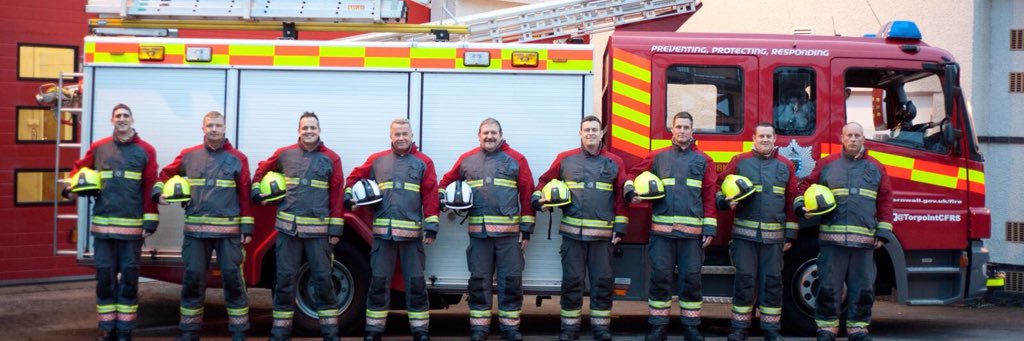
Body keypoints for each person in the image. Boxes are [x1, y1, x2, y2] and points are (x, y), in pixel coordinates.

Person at [153, 111, 252, 341]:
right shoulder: (189, 156)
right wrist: (158, 192)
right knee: (193, 279)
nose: (214, 129)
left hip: (228, 234)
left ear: (225, 127)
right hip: (196, 234)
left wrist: (246, 228)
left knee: (233, 279)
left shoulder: (238, 158)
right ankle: (189, 331)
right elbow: (165, 174)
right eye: (210, 125)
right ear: (203, 128)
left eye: (218, 125)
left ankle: (238, 331)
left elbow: (245, 195)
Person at [64, 103, 159, 341]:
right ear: (112, 120)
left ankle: (125, 331)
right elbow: (79, 170)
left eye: (126, 115)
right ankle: (107, 329)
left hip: (131, 229)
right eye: (118, 116)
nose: (122, 119)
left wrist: (150, 220)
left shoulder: (146, 150)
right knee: (104, 277)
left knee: (129, 277)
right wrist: (70, 187)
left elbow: (149, 186)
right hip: (103, 231)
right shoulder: (99, 148)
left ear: (132, 119)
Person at [532, 115, 628, 341]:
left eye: (595, 130)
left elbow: (621, 198)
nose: (591, 134)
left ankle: (601, 329)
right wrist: (537, 201)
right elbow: (544, 181)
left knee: (602, 284)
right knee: (572, 283)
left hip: (603, 238)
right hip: (572, 237)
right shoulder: (565, 159)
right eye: (587, 130)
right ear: (580, 133)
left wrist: (620, 228)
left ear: (601, 133)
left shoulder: (615, 161)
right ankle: (569, 329)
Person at [438, 118, 535, 341]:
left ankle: (510, 329)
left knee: (510, 281)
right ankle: (479, 329)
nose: (489, 136)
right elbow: (445, 183)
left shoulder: (517, 159)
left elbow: (527, 194)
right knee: (479, 282)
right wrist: (444, 200)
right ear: (478, 135)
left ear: (501, 135)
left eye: (493, 132)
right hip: (479, 235)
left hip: (509, 236)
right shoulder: (467, 159)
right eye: (485, 133)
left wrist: (527, 229)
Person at [252, 112, 346, 341]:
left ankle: (330, 333)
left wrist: (335, 231)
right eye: (305, 128)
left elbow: (336, 196)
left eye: (313, 127)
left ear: (319, 130)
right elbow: (260, 172)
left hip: (318, 234)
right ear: (299, 131)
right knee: (284, 280)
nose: (309, 131)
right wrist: (258, 193)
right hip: (288, 231)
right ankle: (280, 332)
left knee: (323, 280)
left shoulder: (331, 158)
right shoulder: (285, 155)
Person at [796, 122, 894, 341]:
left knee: (863, 289)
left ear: (863, 139)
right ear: (842, 138)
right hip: (832, 243)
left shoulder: (876, 168)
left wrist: (884, 232)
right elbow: (803, 187)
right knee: (829, 287)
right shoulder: (827, 164)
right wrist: (801, 208)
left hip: (864, 243)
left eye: (857, 135)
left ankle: (858, 330)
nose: (853, 139)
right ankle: (826, 329)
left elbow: (886, 200)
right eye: (849, 135)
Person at [625, 111, 717, 341]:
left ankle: (691, 326)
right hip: (662, 235)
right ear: (672, 129)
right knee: (660, 278)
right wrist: (629, 191)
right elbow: (632, 174)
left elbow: (709, 196)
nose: (682, 131)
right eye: (678, 127)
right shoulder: (658, 157)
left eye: (686, 127)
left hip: (692, 237)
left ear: (692, 130)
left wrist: (710, 228)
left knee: (691, 280)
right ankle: (658, 326)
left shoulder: (704, 160)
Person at [347, 118, 439, 341]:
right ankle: (374, 330)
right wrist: (351, 199)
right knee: (379, 283)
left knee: (416, 285)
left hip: (412, 239)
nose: (401, 138)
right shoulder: (377, 161)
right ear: (390, 137)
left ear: (411, 136)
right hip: (382, 238)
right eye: (397, 134)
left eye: (404, 134)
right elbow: (352, 179)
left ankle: (420, 331)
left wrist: (432, 226)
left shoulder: (424, 162)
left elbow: (430, 195)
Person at [715, 123, 798, 341]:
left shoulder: (786, 166)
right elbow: (719, 186)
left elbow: (791, 202)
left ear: (775, 138)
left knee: (772, 282)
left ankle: (771, 330)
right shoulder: (739, 162)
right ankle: (740, 329)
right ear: (753, 138)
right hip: (744, 237)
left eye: (768, 136)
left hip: (774, 239)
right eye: (761, 136)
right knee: (745, 281)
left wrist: (790, 235)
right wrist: (724, 202)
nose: (764, 140)